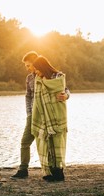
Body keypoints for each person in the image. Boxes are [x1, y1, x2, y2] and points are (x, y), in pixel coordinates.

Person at [11, 51, 69, 179]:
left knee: (51, 142)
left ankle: (55, 171)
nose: (27, 68)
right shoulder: (31, 78)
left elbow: (64, 89)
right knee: (26, 141)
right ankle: (23, 169)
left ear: (36, 63)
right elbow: (28, 97)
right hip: (35, 114)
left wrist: (66, 95)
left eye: (28, 65)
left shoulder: (53, 76)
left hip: (52, 115)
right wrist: (29, 113)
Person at [31, 55, 68, 182]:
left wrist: (66, 95)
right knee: (46, 143)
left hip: (57, 114)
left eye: (37, 69)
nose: (36, 72)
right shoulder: (38, 79)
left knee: (57, 142)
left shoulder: (58, 77)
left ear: (42, 67)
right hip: (43, 116)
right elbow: (36, 99)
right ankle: (50, 172)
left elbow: (65, 90)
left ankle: (59, 172)